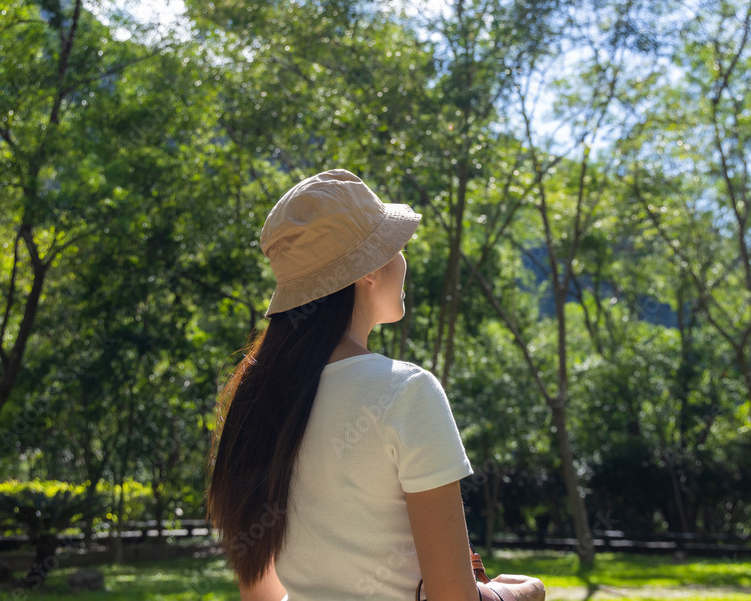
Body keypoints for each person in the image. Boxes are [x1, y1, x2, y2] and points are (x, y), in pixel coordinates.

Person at [206, 169, 546, 601]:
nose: (403, 261)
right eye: (397, 248)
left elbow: (261, 594)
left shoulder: (254, 401)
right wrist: (523, 593)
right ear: (366, 270)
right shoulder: (408, 392)